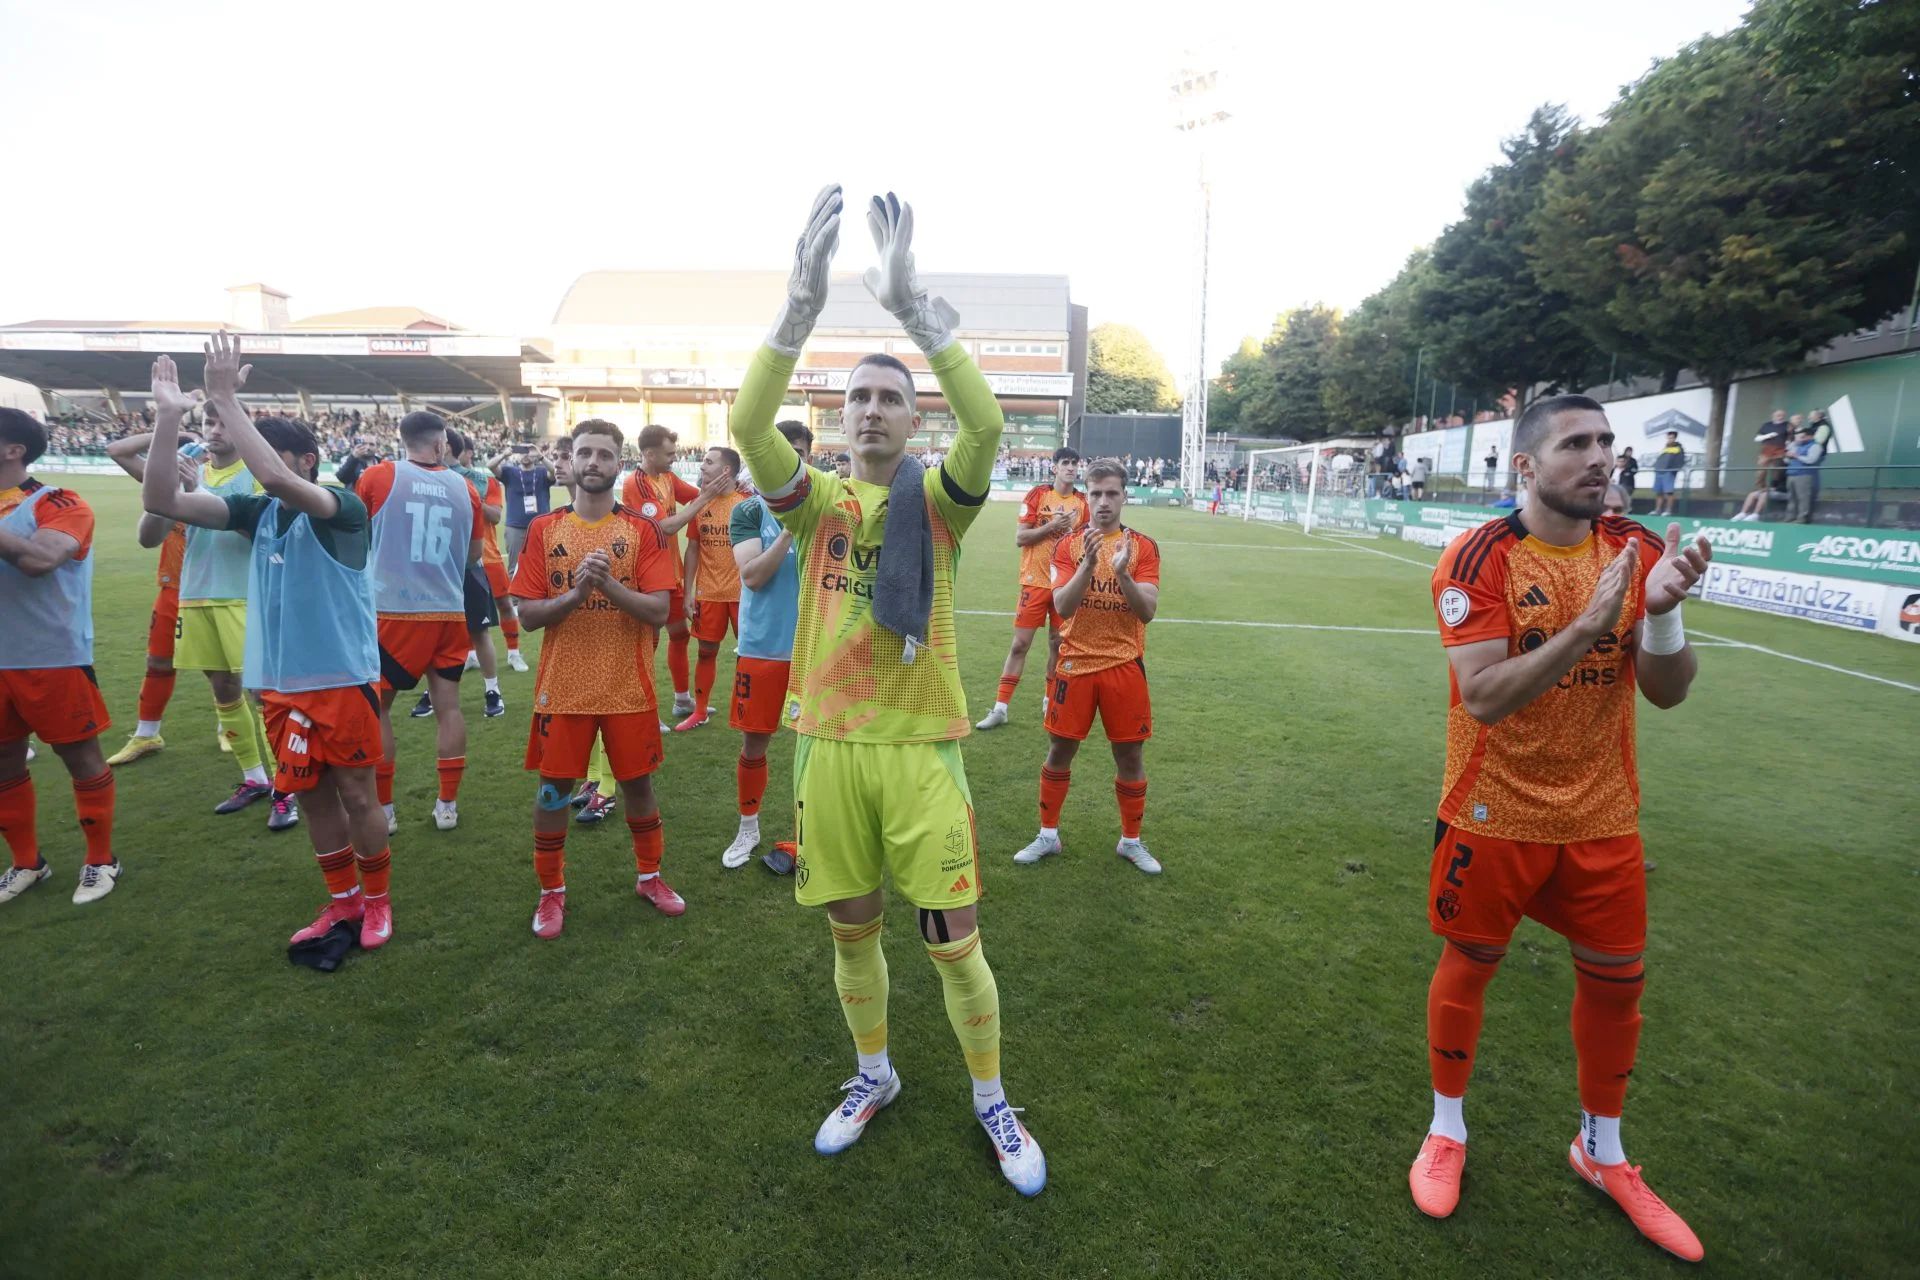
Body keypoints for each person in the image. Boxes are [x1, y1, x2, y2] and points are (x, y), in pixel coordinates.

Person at [732, 187, 1044, 1195]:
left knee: (954, 943)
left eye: (890, 398)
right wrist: (797, 308)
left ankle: (992, 1095)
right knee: (852, 930)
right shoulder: (815, 499)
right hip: (828, 743)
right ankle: (874, 1071)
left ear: (913, 419)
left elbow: (988, 424)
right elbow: (745, 419)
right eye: (857, 397)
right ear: (839, 416)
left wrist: (916, 312)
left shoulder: (939, 502)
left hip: (919, 751)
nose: (871, 409)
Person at [1411, 393, 1711, 1262]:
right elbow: (1486, 696)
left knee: (1619, 986)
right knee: (1468, 966)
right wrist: (1588, 626)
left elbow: (1668, 690)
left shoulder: (1639, 549)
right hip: (1492, 809)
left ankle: (1603, 1152)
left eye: (1607, 443)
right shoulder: (1479, 557)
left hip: (1603, 814)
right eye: (1576, 443)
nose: (1600, 458)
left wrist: (1659, 612)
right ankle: (1446, 1130)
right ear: (1526, 466)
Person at [140, 343, 393, 948]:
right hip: (280, 686)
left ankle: (379, 903)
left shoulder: (342, 508)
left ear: (308, 458)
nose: (254, 463)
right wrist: (171, 417)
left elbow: (276, 477)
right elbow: (160, 503)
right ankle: (343, 902)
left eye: (267, 449)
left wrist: (226, 401)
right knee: (311, 796)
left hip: (341, 680)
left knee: (358, 794)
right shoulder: (256, 512)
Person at [510, 419, 682, 938]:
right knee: (552, 794)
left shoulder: (642, 530)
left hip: (627, 687)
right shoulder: (545, 529)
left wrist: (606, 584)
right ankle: (551, 893)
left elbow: (658, 610)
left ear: (618, 463)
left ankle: (650, 877)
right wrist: (575, 595)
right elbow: (529, 616)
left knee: (638, 788)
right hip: (562, 687)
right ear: (571, 459)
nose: (593, 463)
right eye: (584, 453)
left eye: (604, 455)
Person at [1011, 459, 1161, 874]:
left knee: (1129, 756)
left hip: (1124, 665)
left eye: (1112, 493)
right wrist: (1088, 567)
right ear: (1086, 498)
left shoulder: (1142, 547)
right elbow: (1062, 605)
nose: (1103, 502)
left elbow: (1147, 612)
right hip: (1074, 664)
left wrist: (1123, 575)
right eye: (1095, 494)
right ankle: (1047, 835)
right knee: (1060, 749)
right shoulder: (1068, 545)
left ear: (1125, 496)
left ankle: (1131, 841)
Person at [0, 408, 121, 905]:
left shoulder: (60, 502)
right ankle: (27, 862)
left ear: (14, 450)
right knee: (3, 764)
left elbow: (39, 560)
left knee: (80, 758)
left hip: (51, 656)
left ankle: (100, 860)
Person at [355, 411, 485, 834]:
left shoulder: (377, 476)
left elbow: (357, 539)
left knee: (379, 708)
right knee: (448, 707)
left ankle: (387, 810)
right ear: (442, 443)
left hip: (393, 612)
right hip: (449, 611)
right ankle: (446, 805)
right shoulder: (467, 488)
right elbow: (473, 556)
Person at [174, 400, 280, 818]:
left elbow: (260, 530)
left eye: (223, 423)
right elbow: (153, 529)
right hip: (196, 592)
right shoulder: (192, 471)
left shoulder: (256, 476)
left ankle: (287, 786)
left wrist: (196, 493)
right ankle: (255, 777)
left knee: (262, 693)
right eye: (208, 422)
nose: (214, 430)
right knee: (222, 689)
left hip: (243, 594)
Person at [721, 420, 811, 873]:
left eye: (797, 453)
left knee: (817, 748)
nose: (789, 462)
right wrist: (792, 529)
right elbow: (753, 575)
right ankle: (748, 827)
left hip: (818, 651)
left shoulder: (828, 510)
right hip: (762, 648)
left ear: (808, 459)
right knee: (755, 743)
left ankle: (808, 834)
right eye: (781, 452)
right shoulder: (749, 512)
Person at [619, 425, 732, 729]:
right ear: (649, 453)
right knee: (647, 644)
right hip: (645, 577)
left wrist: (732, 488)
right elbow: (664, 527)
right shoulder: (637, 484)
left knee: (680, 635)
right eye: (669, 454)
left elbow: (699, 497)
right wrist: (705, 497)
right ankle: (642, 710)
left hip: (670, 574)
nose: (674, 458)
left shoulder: (666, 477)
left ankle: (682, 700)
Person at [99, 432, 193, 768]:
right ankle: (147, 733)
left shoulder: (237, 481)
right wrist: (171, 430)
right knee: (158, 662)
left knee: (226, 673)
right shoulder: (168, 482)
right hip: (173, 589)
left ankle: (229, 728)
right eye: (210, 424)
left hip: (219, 591)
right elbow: (117, 450)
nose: (214, 432)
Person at [977, 447, 1086, 731]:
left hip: (1065, 585)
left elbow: (1084, 546)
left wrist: (1071, 535)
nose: (1071, 468)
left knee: (1058, 646)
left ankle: (1050, 703)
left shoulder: (1083, 503)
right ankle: (1000, 708)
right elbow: (1021, 538)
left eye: (1075, 463)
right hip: (1034, 582)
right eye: (1066, 463)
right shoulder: (1038, 495)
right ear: (1054, 468)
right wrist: (1052, 527)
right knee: (1019, 645)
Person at [410, 429, 507, 720]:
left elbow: (492, 514)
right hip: (433, 568)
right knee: (435, 633)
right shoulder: (420, 476)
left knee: (479, 632)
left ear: (444, 446)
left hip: (468, 567)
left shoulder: (477, 478)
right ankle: (432, 691)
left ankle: (493, 690)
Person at [676, 446, 750, 732]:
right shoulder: (700, 503)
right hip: (709, 593)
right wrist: (688, 592)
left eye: (709, 462)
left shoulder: (747, 503)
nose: (702, 466)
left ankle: (746, 709)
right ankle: (700, 710)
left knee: (749, 655)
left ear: (726, 470)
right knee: (706, 651)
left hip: (744, 595)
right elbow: (693, 548)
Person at [490, 444, 552, 577]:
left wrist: (541, 456)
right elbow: (490, 466)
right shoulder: (509, 472)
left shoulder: (541, 472)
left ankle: (540, 597)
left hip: (540, 527)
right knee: (515, 569)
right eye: (522, 452)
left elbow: (554, 472)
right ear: (517, 454)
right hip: (515, 528)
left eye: (528, 451)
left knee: (543, 566)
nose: (525, 455)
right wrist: (504, 455)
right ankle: (515, 598)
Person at [1785, 423, 1824, 523]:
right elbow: (1787, 460)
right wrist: (1789, 454)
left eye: (1803, 436)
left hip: (1804, 475)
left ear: (1810, 436)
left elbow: (1811, 460)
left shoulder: (1815, 446)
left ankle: (1802, 519)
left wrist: (1797, 456)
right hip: (1792, 474)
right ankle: (1790, 517)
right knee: (1791, 498)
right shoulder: (1796, 446)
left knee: (1803, 498)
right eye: (1799, 436)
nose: (1800, 438)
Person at [1650, 429, 1685, 516]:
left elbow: (1680, 461)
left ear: (1675, 438)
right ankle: (1657, 510)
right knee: (1659, 492)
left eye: (1672, 438)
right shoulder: (1665, 448)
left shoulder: (1678, 448)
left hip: (1668, 473)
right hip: (1659, 472)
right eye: (1668, 438)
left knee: (1669, 492)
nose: (1670, 439)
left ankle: (1668, 510)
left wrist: (1673, 470)